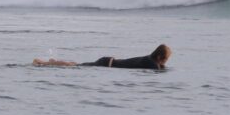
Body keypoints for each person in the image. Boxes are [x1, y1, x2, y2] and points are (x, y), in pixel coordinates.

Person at [33, 44, 172, 70]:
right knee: (74, 66)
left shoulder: (149, 59)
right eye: (166, 59)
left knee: (76, 65)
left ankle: (54, 62)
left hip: (108, 62)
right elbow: (158, 69)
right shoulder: (151, 63)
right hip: (106, 64)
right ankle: (43, 63)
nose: (166, 62)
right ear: (159, 57)